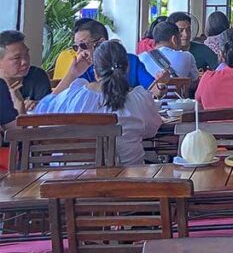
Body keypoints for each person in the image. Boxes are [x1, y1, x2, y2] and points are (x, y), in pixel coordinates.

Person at [33, 40, 162, 165]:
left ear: (95, 72)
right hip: (127, 181)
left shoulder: (74, 95)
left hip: (71, 181)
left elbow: (41, 113)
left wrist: (71, 75)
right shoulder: (140, 99)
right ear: (127, 68)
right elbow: (152, 130)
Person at [54, 20, 166, 96]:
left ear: (101, 42)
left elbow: (153, 90)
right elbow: (56, 100)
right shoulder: (83, 67)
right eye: (75, 47)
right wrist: (72, 73)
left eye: (83, 46)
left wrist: (161, 85)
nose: (79, 52)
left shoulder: (131, 61)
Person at [0, 31, 52, 128]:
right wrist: (19, 106)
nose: (25, 62)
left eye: (26, 55)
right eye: (17, 58)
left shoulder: (37, 76)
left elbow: (48, 111)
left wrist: (38, 104)